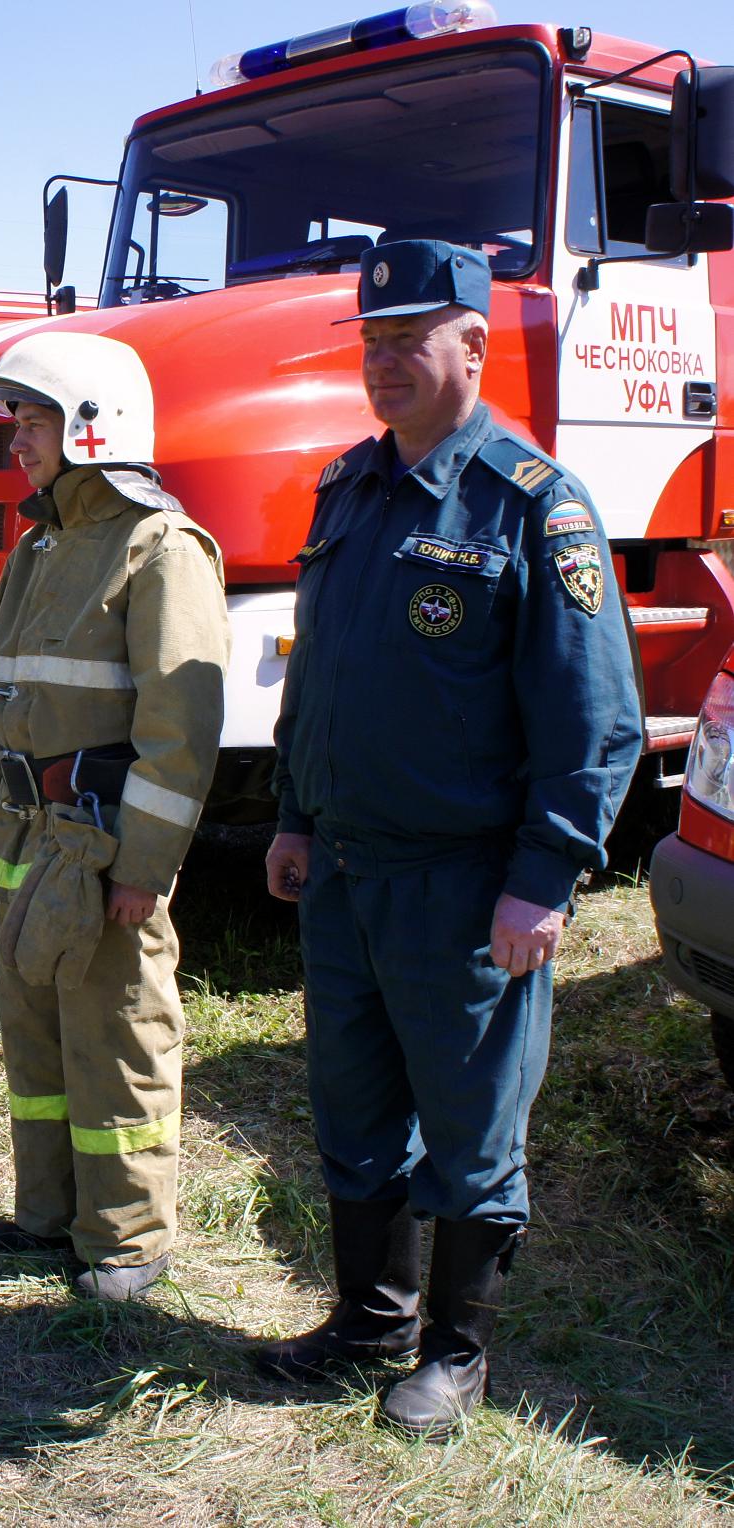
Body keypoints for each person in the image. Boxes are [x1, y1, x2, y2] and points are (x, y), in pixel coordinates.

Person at [256, 240, 643, 1435]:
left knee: (472, 1125)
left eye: (405, 341)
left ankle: (456, 1351)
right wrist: (291, 813)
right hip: (348, 872)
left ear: (472, 345)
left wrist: (545, 878)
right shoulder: (347, 489)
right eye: (369, 343)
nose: (381, 364)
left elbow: (596, 718)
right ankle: (367, 1318)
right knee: (354, 1105)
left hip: (465, 886)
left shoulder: (534, 505)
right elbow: (318, 679)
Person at [0, 333, 229, 1297]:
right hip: (31, 838)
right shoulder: (36, 545)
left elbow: (179, 731)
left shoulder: (162, 547)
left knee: (116, 1033)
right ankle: (48, 1213)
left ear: (91, 425)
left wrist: (142, 865)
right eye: (17, 422)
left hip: (100, 842)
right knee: (34, 1032)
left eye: (32, 421)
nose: (15, 442)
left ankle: (125, 1239)